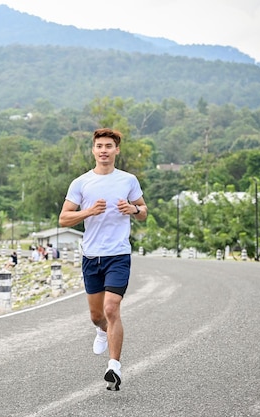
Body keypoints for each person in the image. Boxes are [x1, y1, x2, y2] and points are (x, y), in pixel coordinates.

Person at [59, 128, 147, 391]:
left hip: (118, 255)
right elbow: (64, 218)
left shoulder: (128, 180)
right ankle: (100, 330)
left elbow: (143, 212)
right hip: (91, 257)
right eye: (100, 146)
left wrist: (133, 209)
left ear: (117, 150)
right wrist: (88, 211)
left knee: (111, 309)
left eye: (109, 146)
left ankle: (114, 367)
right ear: (93, 150)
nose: (104, 150)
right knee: (97, 316)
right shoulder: (81, 183)